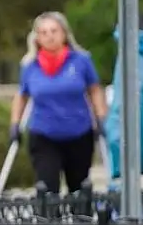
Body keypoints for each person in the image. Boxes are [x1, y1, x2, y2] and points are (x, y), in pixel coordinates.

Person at [10, 11, 106, 194]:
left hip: (78, 134)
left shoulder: (81, 60)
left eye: (54, 31)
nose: (49, 36)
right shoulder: (30, 65)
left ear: (64, 34)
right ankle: (48, 222)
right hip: (44, 135)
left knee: (79, 190)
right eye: (43, 33)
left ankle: (81, 221)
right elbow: (22, 96)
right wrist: (15, 124)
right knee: (46, 189)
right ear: (37, 38)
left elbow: (94, 89)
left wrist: (100, 117)